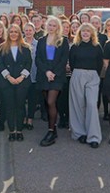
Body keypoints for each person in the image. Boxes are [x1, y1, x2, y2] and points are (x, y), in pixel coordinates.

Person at [36, 16, 70, 147]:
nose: (51, 27)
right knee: (47, 103)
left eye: (54, 25)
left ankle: (50, 131)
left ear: (58, 27)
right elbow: (38, 59)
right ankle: (53, 128)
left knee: (51, 101)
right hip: (44, 75)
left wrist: (54, 73)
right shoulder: (41, 41)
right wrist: (46, 72)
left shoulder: (63, 41)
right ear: (46, 26)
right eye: (49, 25)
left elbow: (63, 59)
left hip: (57, 76)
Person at [69, 23, 103, 148]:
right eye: (83, 31)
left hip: (93, 76)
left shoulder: (97, 47)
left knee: (91, 104)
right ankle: (80, 133)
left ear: (92, 33)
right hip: (77, 74)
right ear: (79, 33)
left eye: (88, 31)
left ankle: (93, 136)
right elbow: (72, 63)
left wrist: (93, 74)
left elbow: (100, 63)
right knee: (78, 105)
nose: (85, 33)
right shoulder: (75, 46)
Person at [0, 24, 32, 141]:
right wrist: (9, 77)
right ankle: (12, 131)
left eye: (15, 32)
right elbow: (1, 64)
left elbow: (29, 63)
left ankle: (19, 130)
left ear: (19, 33)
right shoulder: (2, 47)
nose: (13, 34)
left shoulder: (26, 47)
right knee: (10, 106)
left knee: (20, 106)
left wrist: (22, 77)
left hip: (22, 81)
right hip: (7, 82)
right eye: (11, 31)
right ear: (8, 33)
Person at [23, 22, 39, 130]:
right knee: (22, 98)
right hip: (22, 76)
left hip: (34, 74)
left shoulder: (38, 44)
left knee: (32, 99)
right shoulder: (20, 43)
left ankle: (30, 119)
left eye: (30, 30)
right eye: (26, 30)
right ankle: (23, 118)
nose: (28, 32)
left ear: (34, 31)